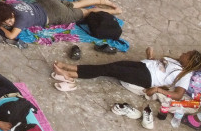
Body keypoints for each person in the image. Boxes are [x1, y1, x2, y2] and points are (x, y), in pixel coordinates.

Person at [52, 47, 201, 99]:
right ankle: (71, 69)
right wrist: (151, 57)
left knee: (109, 70)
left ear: (189, 62)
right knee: (111, 65)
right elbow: (161, 69)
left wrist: (157, 89)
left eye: (186, 54)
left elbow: (179, 95)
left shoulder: (185, 75)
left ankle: (69, 73)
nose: (183, 53)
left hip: (147, 78)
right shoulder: (175, 62)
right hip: (145, 66)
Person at [0, 0, 121, 42]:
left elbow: (11, 36)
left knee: (89, 12)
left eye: (10, 20)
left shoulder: (21, 20)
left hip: (56, 14)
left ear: (12, 15)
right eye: (8, 23)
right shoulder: (11, 6)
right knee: (75, 4)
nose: (11, 23)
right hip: (49, 2)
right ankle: (101, 0)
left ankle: (114, 11)